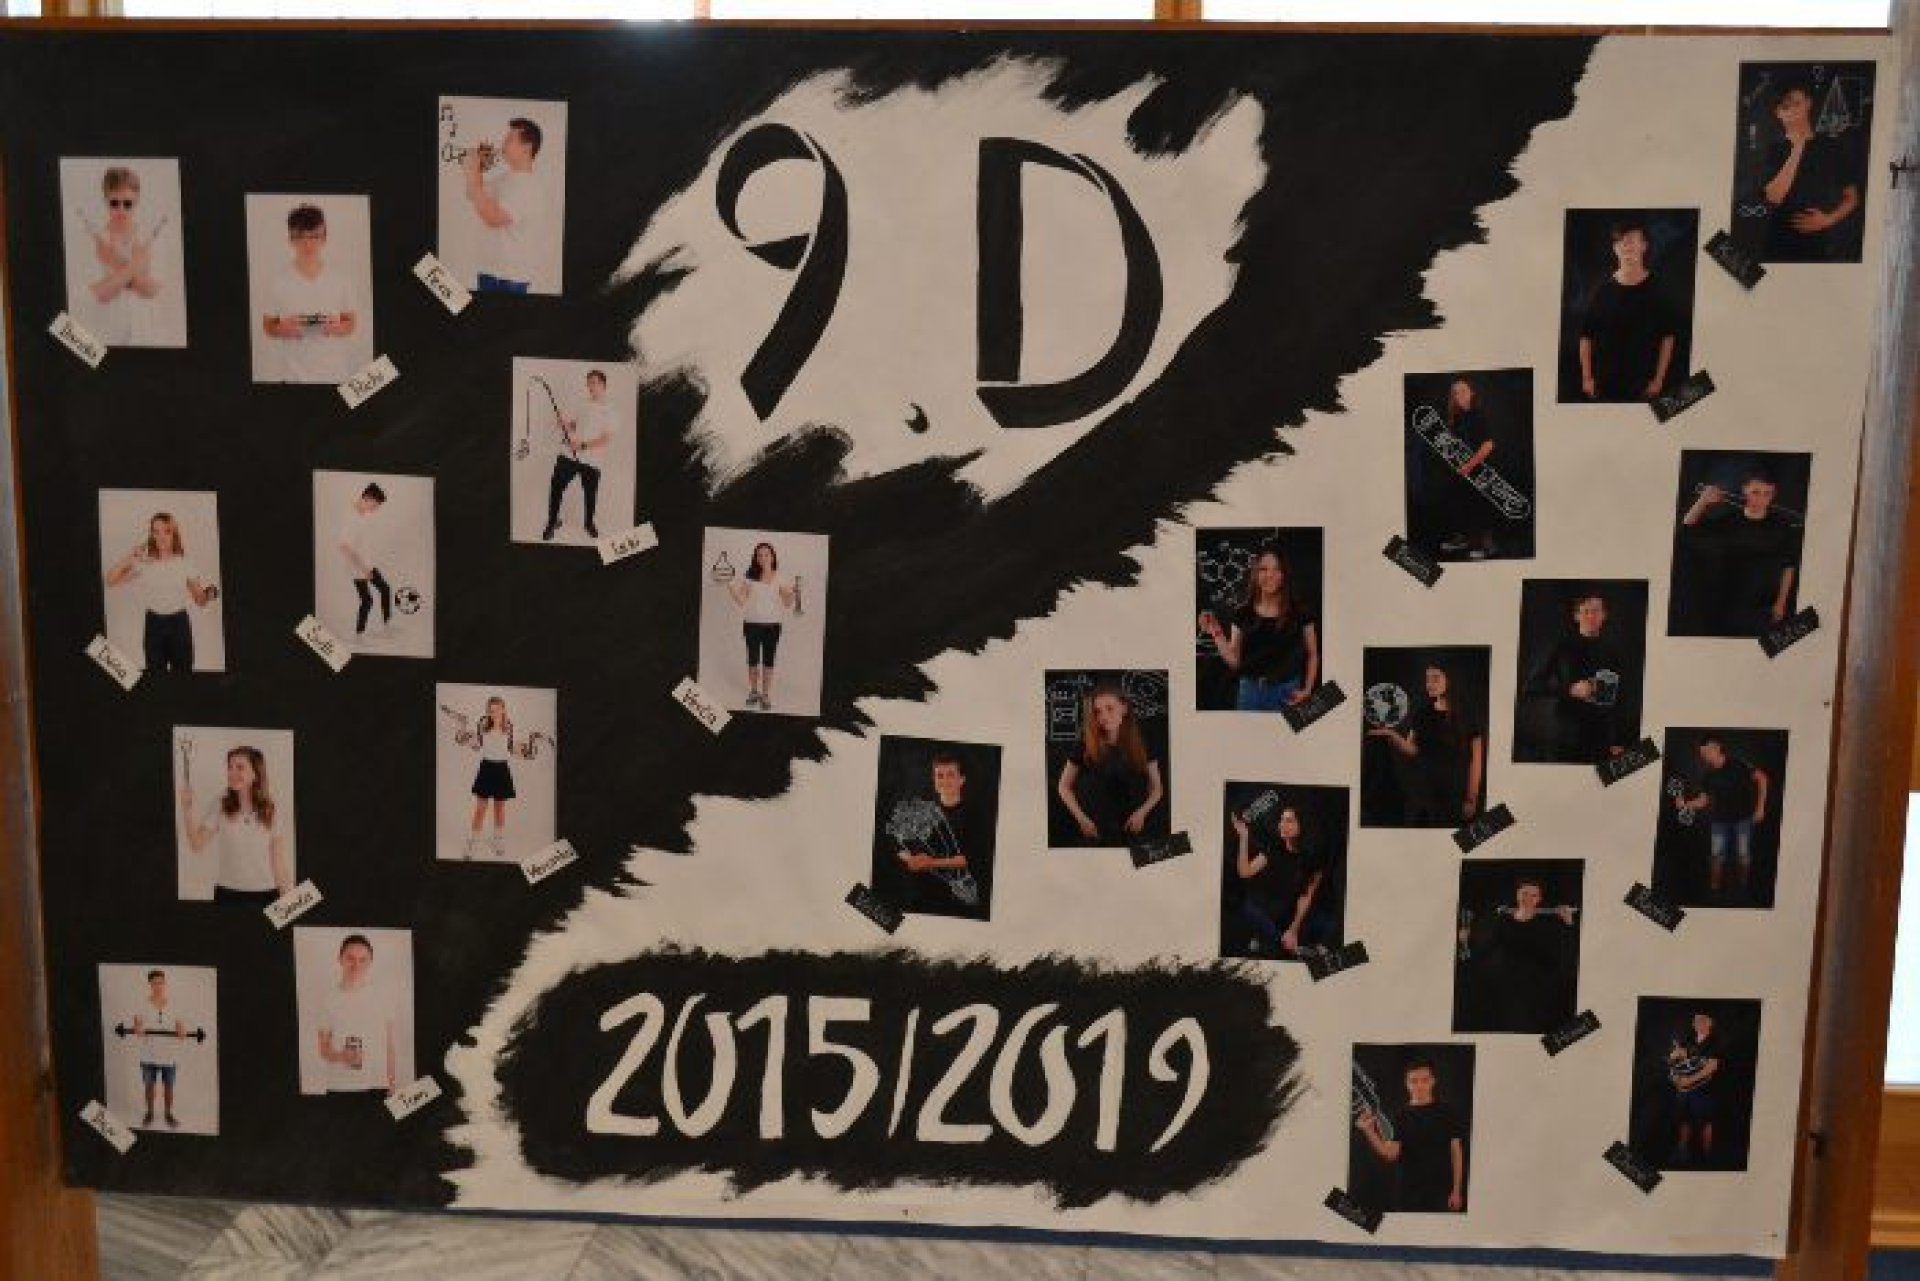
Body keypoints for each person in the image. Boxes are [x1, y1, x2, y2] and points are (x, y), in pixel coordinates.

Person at [1678, 468, 1801, 637]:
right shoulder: (1728, 521)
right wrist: (1702, 501)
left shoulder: (1781, 525)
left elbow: (1789, 565)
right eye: (1755, 492)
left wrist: (1781, 603)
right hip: (1724, 603)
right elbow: (1687, 528)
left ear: (1774, 494)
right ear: (1744, 490)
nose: (1761, 499)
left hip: (1764, 606)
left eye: (1767, 493)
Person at [1196, 548, 1319, 712]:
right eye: (1263, 569)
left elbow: (1312, 654)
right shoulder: (1242, 613)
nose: (1270, 575)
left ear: (1284, 575)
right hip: (1249, 694)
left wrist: (1308, 690)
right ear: (1256, 574)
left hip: (1288, 693)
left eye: (1277, 569)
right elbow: (1235, 662)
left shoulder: (1301, 612)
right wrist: (1215, 630)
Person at [1367, 663, 1485, 825]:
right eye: (1427, 679)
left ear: (1449, 680)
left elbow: (1476, 760)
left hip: (1454, 795)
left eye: (1435, 678)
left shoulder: (1467, 715)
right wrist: (1392, 735)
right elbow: (1412, 749)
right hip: (1423, 795)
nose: (1429, 684)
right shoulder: (1421, 713)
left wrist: (1472, 798)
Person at [1522, 593, 1633, 763]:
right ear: (1576, 616)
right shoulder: (1561, 646)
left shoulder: (1613, 652)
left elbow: (1623, 699)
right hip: (1565, 737)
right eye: (1585, 611)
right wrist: (1569, 689)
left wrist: (1620, 740)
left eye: (1596, 611)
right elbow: (1531, 686)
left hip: (1602, 739)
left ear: (1604, 615)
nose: (1591, 616)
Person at [1576, 218, 1679, 403]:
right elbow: (1586, 337)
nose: (1627, 247)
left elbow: (1668, 337)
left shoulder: (1658, 289)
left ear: (1644, 246)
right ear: (1615, 249)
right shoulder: (1602, 291)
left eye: (1632, 241)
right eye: (1621, 242)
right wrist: (1587, 378)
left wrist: (1658, 380)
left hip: (1644, 387)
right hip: (1604, 385)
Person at [1457, 877, 1577, 1033]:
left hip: (1541, 989)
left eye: (1533, 895)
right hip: (1507, 987)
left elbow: (1566, 954)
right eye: (1524, 893)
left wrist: (1568, 923)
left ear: (1539, 899)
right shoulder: (1504, 920)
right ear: (1517, 895)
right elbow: (1487, 950)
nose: (1528, 899)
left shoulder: (1549, 922)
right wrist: (1467, 940)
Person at [1760, 83, 1863, 262]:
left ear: (1808, 103)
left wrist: (1828, 220)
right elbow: (1774, 197)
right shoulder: (1773, 150)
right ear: (1778, 113)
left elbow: (1852, 197)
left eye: (1796, 102)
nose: (1793, 109)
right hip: (1778, 243)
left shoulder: (1832, 147)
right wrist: (1798, 147)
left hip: (1820, 243)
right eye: (1785, 106)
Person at [103, 511, 215, 673]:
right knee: (155, 679)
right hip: (153, 625)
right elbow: (109, 580)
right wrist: (131, 557)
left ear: (174, 534)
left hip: (179, 625)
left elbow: (200, 600)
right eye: (156, 531)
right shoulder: (144, 564)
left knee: (184, 677)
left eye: (166, 531)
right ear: (152, 535)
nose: (161, 537)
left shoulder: (185, 563)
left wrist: (210, 594)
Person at [178, 745, 292, 904]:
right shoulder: (220, 804)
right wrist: (187, 809)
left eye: (240, 767)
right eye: (230, 767)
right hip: (227, 895)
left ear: (255, 773)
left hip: (266, 896)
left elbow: (279, 864)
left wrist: (290, 903)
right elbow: (197, 844)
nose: (232, 773)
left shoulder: (271, 810)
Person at [261, 204, 360, 384]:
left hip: (335, 374)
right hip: (292, 375)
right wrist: (282, 329)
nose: (308, 244)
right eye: (300, 237)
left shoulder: (341, 279)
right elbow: (268, 326)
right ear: (291, 239)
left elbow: (351, 323)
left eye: (314, 236)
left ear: (324, 238)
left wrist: (337, 328)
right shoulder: (277, 281)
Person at [1055, 684, 1165, 846]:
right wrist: (1082, 819)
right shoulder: (1085, 742)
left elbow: (1156, 788)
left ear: (1124, 709)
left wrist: (1142, 813)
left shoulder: (1144, 741)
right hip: (1094, 829)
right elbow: (1064, 786)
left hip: (1134, 827)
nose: (1104, 716)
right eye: (1098, 711)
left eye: (1110, 708)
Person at [1354, 1057, 1467, 1212]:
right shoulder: (1399, 1117)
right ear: (1406, 1084)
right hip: (1407, 1194)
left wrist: (1456, 1190)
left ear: (1433, 1081)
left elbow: (1456, 1152)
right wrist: (1368, 1130)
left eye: (1424, 1080)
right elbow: (1391, 1154)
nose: (1419, 1085)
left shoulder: (1447, 1113)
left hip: (1442, 1192)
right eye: (1413, 1081)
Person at [885, 751, 983, 914]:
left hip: (956, 901)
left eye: (950, 775)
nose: (944, 781)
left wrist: (930, 863)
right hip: (921, 896)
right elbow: (896, 843)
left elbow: (971, 858)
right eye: (939, 776)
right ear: (934, 779)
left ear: (961, 779)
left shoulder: (974, 815)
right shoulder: (923, 810)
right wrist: (910, 859)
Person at [1230, 803, 1330, 959]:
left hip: (1286, 915)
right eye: (1282, 820)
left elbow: (1306, 896)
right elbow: (1244, 872)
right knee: (1284, 946)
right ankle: (1271, 942)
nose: (1282, 824)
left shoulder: (1314, 859)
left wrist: (1293, 929)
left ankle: (1276, 943)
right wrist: (1243, 837)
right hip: (1258, 909)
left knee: (1326, 924)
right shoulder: (1273, 849)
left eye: (1289, 820)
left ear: (1302, 825)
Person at [1673, 737, 1770, 896]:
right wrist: (1686, 804)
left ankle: (1743, 889)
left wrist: (1760, 808)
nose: (1703, 756)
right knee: (1716, 857)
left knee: (1743, 855)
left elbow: (1762, 778)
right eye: (1701, 753)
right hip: (1720, 821)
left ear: (1716, 747)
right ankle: (1714, 890)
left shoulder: (1738, 764)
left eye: (1706, 751)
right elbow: (1703, 801)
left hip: (1743, 819)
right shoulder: (1708, 775)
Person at [81, 166, 165, 346]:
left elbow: (154, 290)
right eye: (114, 203)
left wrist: (114, 265)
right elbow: (100, 293)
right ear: (105, 200)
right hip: (106, 329)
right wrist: (136, 268)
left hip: (144, 330)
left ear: (137, 201)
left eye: (127, 203)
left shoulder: (147, 239)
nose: (121, 210)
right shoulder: (97, 240)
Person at [463, 117, 548, 294]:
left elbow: (493, 218)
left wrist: (472, 171)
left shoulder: (529, 187)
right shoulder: (504, 180)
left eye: (509, 140)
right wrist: (478, 169)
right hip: (490, 274)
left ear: (527, 147)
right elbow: (474, 194)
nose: (503, 144)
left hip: (509, 280)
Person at [455, 695, 545, 859]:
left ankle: (498, 840)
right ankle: (472, 843)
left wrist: (527, 752)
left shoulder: (509, 726)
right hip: (486, 768)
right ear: (487, 711)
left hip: (502, 769)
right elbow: (478, 745)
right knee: (480, 809)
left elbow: (510, 749)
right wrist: (465, 738)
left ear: (503, 710)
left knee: (499, 808)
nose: (494, 713)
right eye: (490, 710)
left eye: (497, 710)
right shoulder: (482, 724)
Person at [317, 934, 396, 1097]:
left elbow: (389, 1044)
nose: (356, 965)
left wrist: (392, 1081)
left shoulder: (383, 996)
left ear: (370, 962)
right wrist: (341, 1056)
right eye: (350, 958)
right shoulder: (327, 999)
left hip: (377, 1084)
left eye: (362, 960)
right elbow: (323, 1049)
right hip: (339, 1085)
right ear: (340, 959)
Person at [542, 369, 617, 541]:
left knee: (590, 493)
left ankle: (589, 523)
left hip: (593, 460)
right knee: (556, 487)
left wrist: (583, 445)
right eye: (588, 383)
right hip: (570, 454)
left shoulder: (611, 410)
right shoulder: (583, 404)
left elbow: (606, 439)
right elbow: (576, 425)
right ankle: (552, 522)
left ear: (603, 385)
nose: (590, 386)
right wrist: (565, 425)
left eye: (594, 382)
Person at [723, 541, 797, 711]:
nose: (763, 557)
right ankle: (754, 692)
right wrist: (730, 585)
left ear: (772, 557)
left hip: (773, 626)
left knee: (768, 661)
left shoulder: (780, 577)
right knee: (753, 660)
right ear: (756, 558)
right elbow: (741, 601)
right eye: (759, 555)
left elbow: (787, 603)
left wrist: (793, 593)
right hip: (751, 625)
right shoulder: (749, 576)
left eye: (766, 554)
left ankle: (765, 695)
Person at [1431, 378, 1500, 558]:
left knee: (1480, 505)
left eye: (1463, 390)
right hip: (1462, 470)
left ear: (1472, 393)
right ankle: (1463, 540)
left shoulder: (1479, 415)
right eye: (1455, 392)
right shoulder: (1456, 418)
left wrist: (1469, 466)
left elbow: (1488, 445)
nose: (1459, 395)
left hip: (1481, 468)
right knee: (1457, 502)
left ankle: (1486, 547)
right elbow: (1454, 445)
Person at [127, 969, 200, 1129]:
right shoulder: (141, 1004)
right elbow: (137, 1023)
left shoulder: (174, 1004)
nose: (158, 986)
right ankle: (150, 1112)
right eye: (155, 983)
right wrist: (138, 1028)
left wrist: (181, 1032)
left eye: (161, 983)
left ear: (164, 983)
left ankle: (168, 1114)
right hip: (148, 1054)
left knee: (169, 1086)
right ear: (150, 984)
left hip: (169, 1054)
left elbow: (179, 1026)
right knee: (149, 1086)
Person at [1666, 1011, 1723, 1165]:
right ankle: (1682, 1151)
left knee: (1705, 1122)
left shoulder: (1715, 1042)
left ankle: (1707, 1158)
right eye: (1695, 1020)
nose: (1697, 1023)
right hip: (1685, 1091)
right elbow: (1678, 1058)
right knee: (1684, 1120)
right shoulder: (1689, 1040)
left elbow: (1711, 1068)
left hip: (1704, 1090)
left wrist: (1688, 1080)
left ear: (1710, 1023)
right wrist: (1674, 1056)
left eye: (1701, 1020)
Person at [338, 483, 391, 645]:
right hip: (358, 567)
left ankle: (386, 625)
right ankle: (359, 635)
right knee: (367, 600)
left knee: (385, 589)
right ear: (367, 498)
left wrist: (368, 564)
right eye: (375, 505)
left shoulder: (362, 513)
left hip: (367, 564)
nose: (376, 509)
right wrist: (363, 569)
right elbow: (345, 547)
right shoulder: (351, 518)